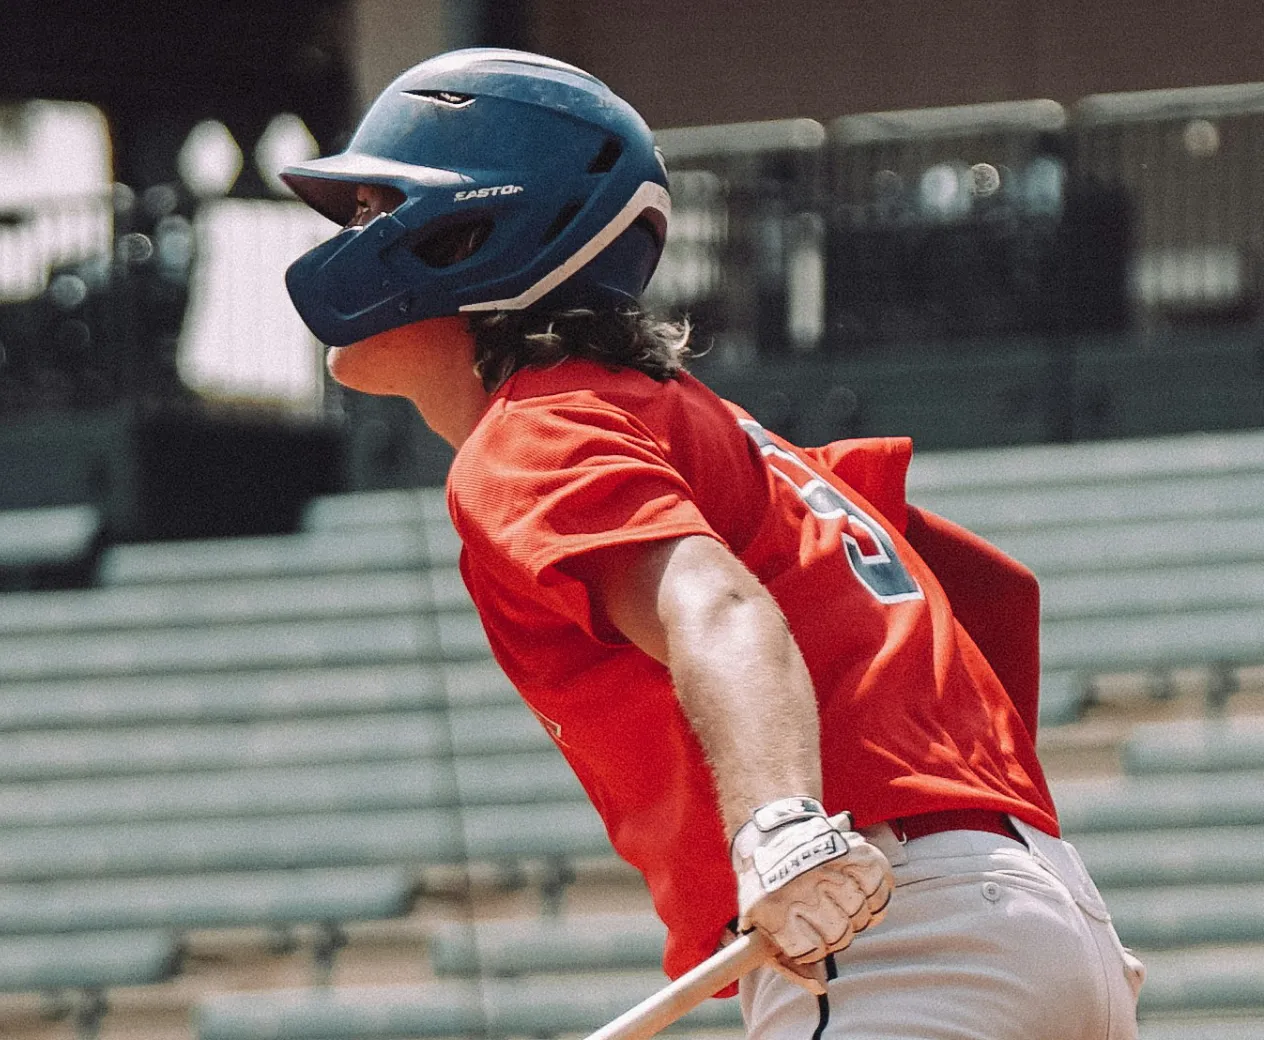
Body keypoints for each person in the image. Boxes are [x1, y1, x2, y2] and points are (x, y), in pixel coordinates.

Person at [281, 46, 1145, 1040]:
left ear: (463, 233)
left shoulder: (538, 426)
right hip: (1035, 917)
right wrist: (989, 851)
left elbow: (718, 603)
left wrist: (780, 821)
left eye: (370, 208)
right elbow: (991, 594)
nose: (347, 236)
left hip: (892, 942)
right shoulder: (703, 425)